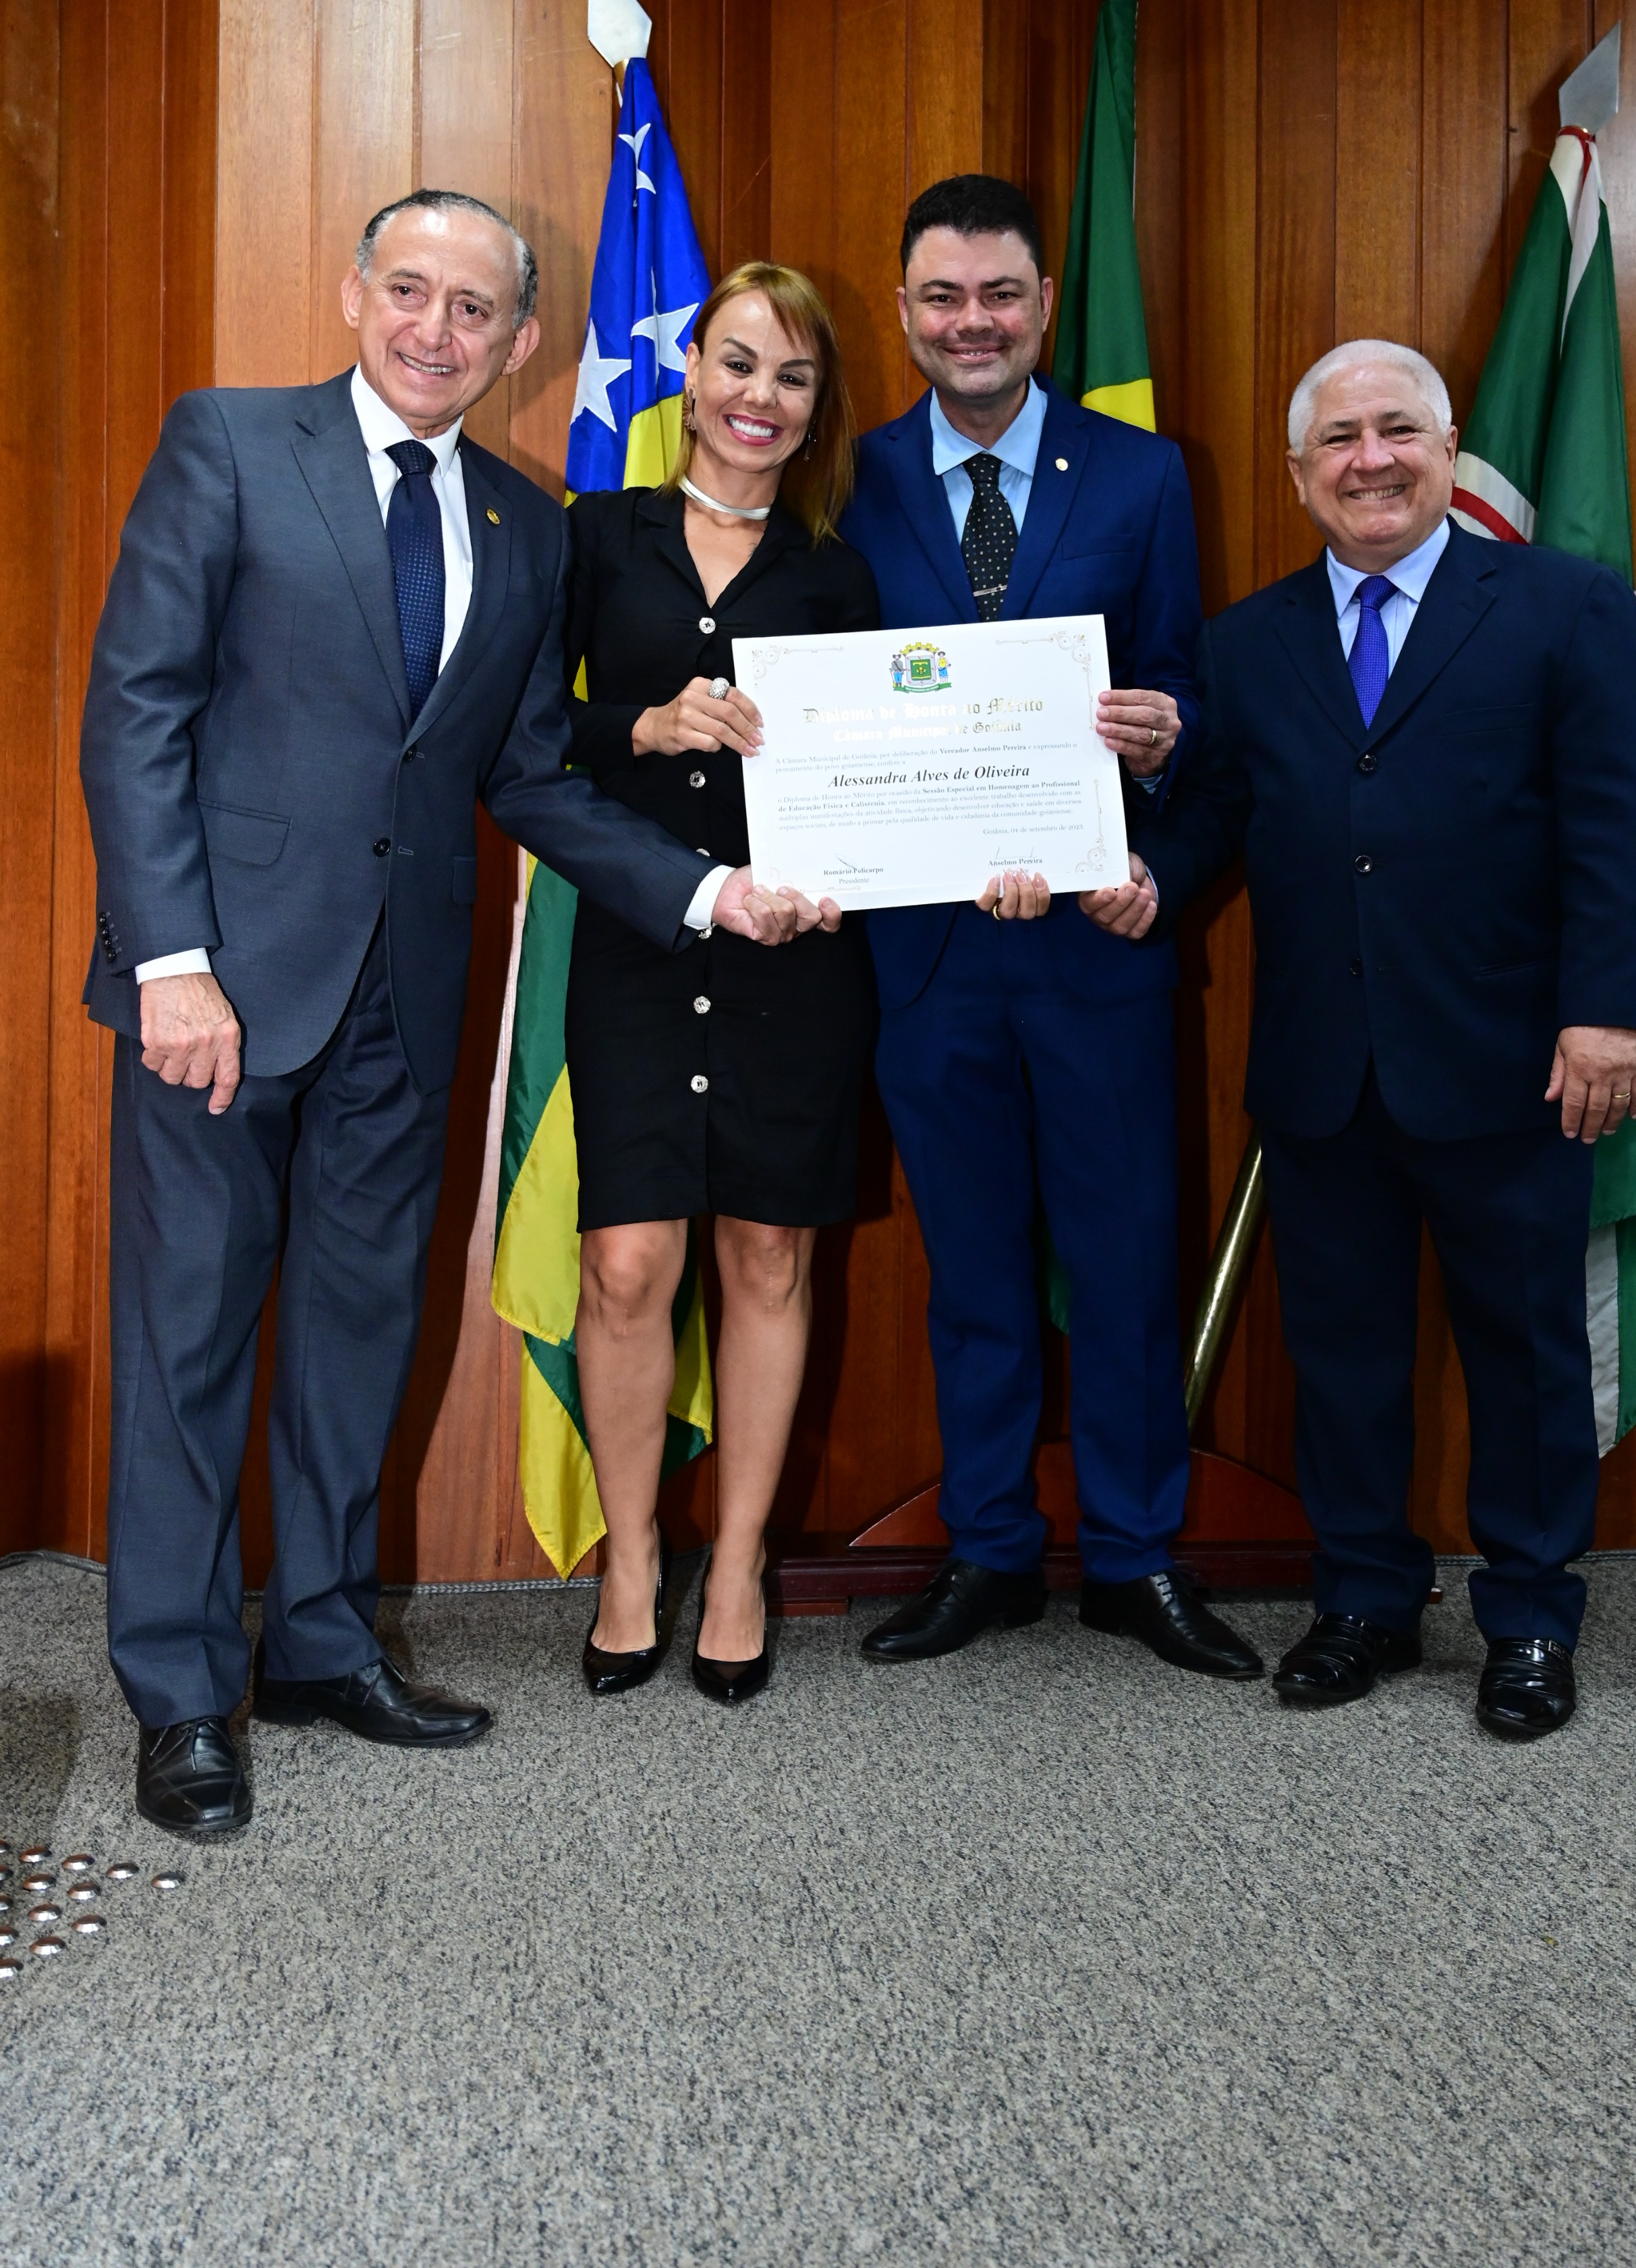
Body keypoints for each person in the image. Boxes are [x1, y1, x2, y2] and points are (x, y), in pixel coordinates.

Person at [83, 192, 814, 1837]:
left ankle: (322, 1642)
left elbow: (523, 775)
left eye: (473, 309)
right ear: (355, 294)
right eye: (409, 291)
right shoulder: (228, 444)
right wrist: (166, 960)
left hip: (405, 1001)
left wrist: (705, 892)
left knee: (357, 1333)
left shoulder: (528, 524)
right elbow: (136, 711)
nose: (436, 329)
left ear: (522, 341)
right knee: (189, 1342)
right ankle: (182, 1694)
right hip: (217, 989)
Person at [1135, 339, 1636, 1740]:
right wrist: (1145, 880)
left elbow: (1618, 819)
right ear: (1299, 473)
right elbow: (1221, 815)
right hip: (1325, 1066)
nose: (1369, 459)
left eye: (1396, 431)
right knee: (1344, 1355)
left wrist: (1610, 1011)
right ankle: (1364, 1599)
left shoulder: (1567, 607)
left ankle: (1532, 1615)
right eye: (1340, 440)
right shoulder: (1246, 642)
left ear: (1442, 451)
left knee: (1528, 1354)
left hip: (1515, 1057)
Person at [838, 174, 1262, 1683]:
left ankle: (1137, 1557)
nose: (975, 322)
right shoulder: (851, 475)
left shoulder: (1141, 475)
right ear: (906, 311)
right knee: (973, 1274)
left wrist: (1162, 735)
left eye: (1001, 294)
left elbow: (1185, 691)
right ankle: (992, 1550)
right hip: (927, 953)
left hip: (1095, 943)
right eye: (944, 297)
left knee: (1126, 1261)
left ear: (1044, 306)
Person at [563, 264, 878, 1705]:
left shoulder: (842, 570)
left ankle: (738, 1563)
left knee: (769, 1258)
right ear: (689, 369)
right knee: (627, 1265)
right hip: (637, 944)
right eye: (739, 363)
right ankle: (633, 1560)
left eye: (793, 377)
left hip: (798, 960)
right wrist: (642, 722)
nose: (761, 397)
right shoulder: (597, 536)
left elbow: (886, 765)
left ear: (818, 409)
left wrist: (865, 863)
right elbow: (524, 732)